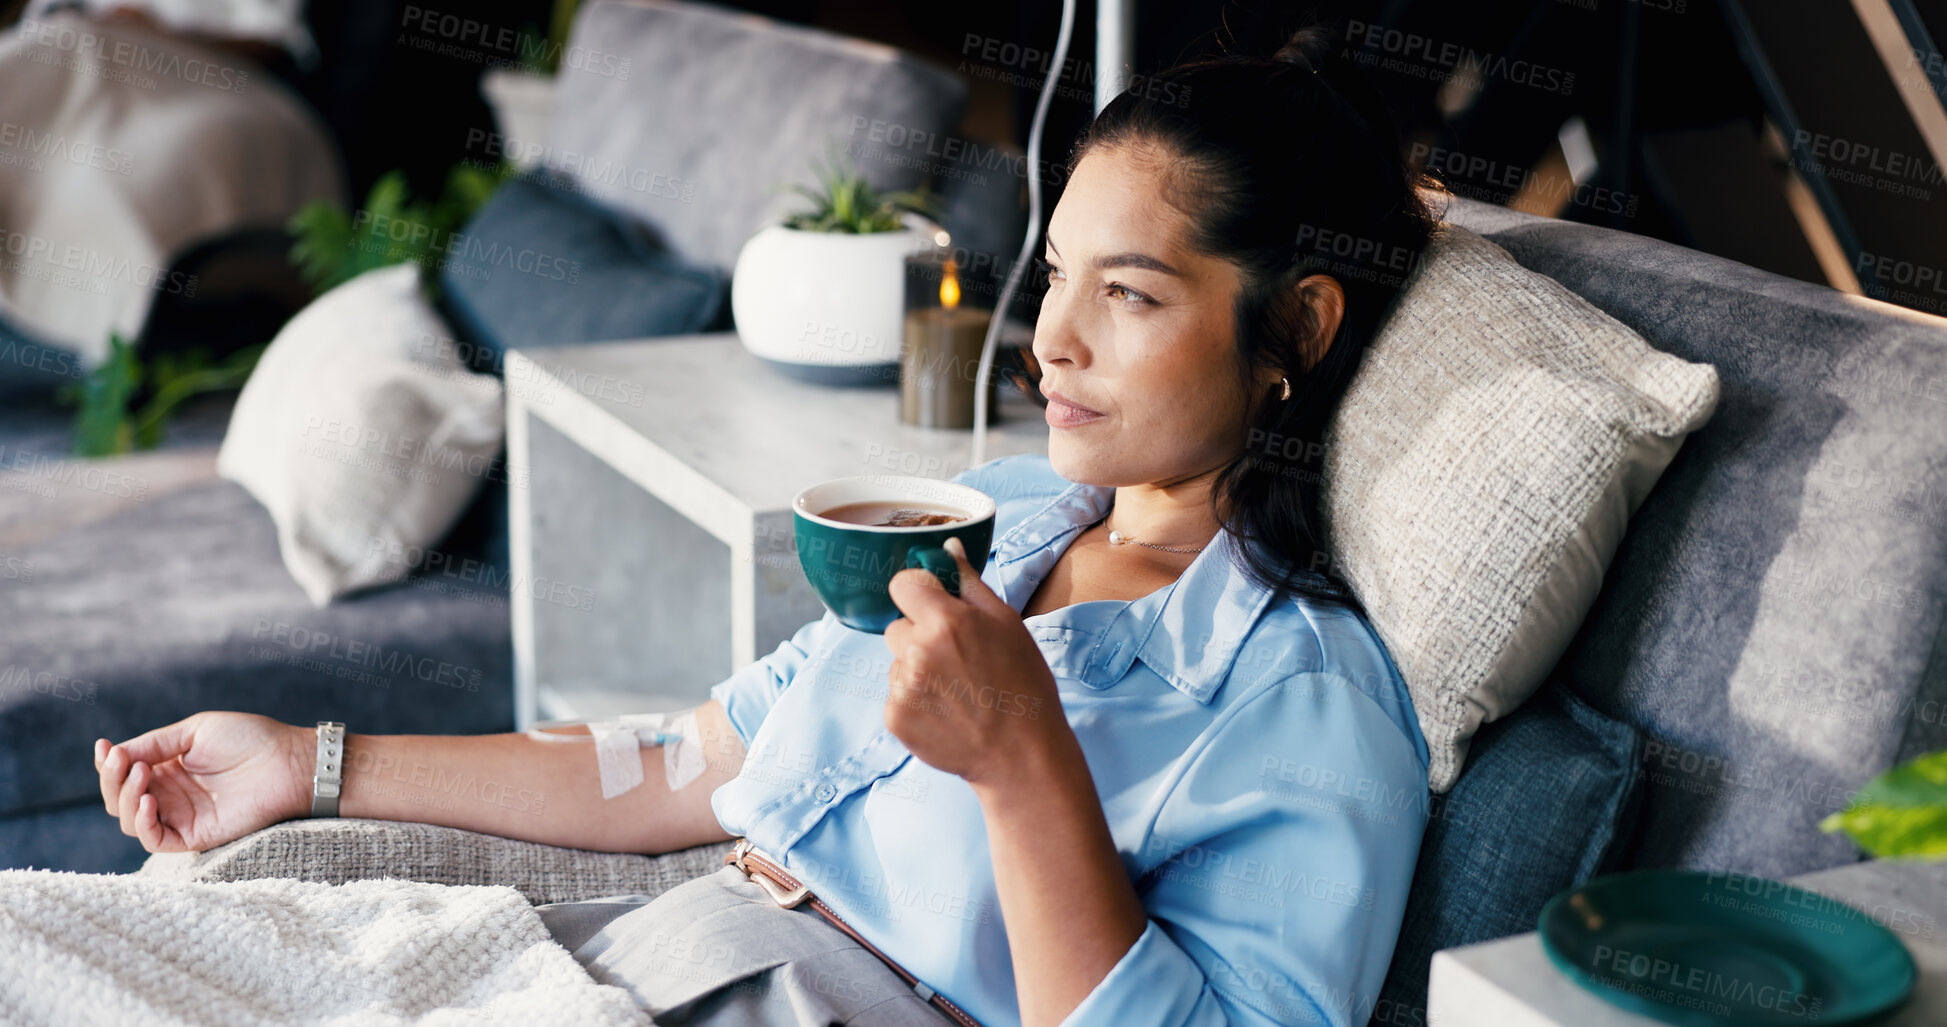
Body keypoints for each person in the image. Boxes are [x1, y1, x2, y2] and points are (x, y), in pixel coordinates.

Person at [92, 24, 1443, 1027]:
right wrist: (311, 761)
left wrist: (1027, 765)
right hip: (640, 950)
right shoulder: (1011, 518)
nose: (1053, 343)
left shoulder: (1303, 702)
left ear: (1299, 327)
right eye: (1059, 281)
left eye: (1133, 298)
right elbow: (686, 756)